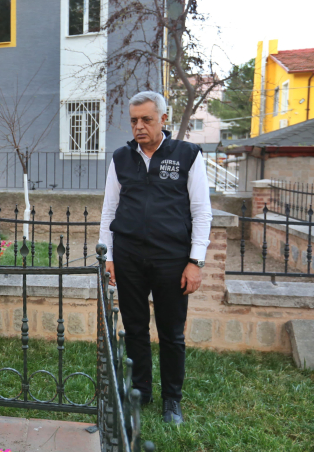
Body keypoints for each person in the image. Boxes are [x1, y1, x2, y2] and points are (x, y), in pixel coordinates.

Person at [99, 91, 212, 425]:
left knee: (171, 333)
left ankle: (171, 400)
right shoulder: (121, 158)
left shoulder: (188, 155)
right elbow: (109, 209)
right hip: (129, 256)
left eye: (146, 119)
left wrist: (196, 261)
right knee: (134, 328)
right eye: (134, 120)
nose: (139, 126)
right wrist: (109, 256)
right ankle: (141, 391)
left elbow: (201, 211)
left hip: (171, 259)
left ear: (164, 118)